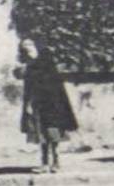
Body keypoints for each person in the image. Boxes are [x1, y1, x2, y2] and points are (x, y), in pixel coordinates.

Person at [16, 38, 78, 173]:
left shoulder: (47, 62)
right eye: (24, 46)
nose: (27, 48)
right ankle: (44, 163)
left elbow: (54, 84)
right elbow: (29, 87)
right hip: (37, 103)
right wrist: (29, 103)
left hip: (52, 103)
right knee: (41, 133)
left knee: (53, 132)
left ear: (36, 46)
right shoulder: (28, 65)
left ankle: (56, 161)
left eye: (30, 44)